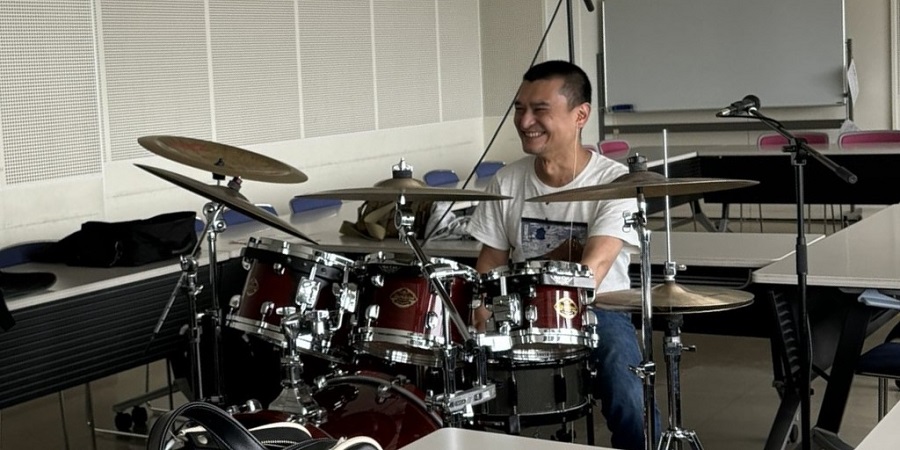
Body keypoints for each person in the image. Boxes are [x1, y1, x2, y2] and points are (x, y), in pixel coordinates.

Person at [466, 60, 660, 450]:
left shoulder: (614, 182)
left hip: (597, 310)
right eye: (520, 109)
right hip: (517, 311)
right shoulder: (507, 180)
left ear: (580, 115)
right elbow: (490, 264)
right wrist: (480, 316)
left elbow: (593, 271)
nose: (525, 121)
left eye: (540, 110)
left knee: (630, 398)